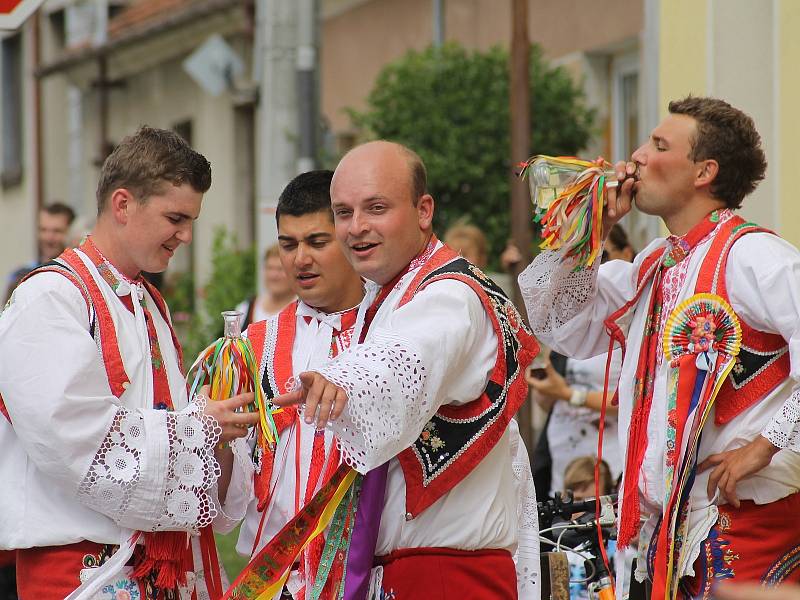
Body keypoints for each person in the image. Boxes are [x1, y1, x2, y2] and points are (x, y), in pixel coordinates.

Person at [519, 96, 800, 599]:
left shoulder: (753, 254)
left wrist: (764, 447)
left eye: (659, 144)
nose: (638, 155)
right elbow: (564, 325)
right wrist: (592, 230)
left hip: (747, 519)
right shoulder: (656, 262)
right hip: (667, 534)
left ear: (703, 172)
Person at [271, 140, 540, 599]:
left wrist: (344, 380)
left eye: (376, 208)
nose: (356, 228)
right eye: (343, 212)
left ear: (423, 210)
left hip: (445, 577)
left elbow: (411, 354)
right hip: (403, 575)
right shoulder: (390, 294)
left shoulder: (450, 294)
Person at [0, 126, 258, 599]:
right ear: (123, 204)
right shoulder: (50, 297)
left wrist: (219, 433)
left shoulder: (148, 303)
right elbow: (72, 437)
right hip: (82, 571)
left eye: (191, 220)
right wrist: (198, 429)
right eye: (175, 217)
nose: (185, 235)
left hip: (161, 571)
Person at [236, 170, 365, 599]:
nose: (300, 259)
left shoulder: (389, 333)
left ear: (348, 236)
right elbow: (232, 489)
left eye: (317, 242)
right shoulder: (255, 344)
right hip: (276, 581)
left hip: (364, 575)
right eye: (288, 245)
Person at [529, 224, 635, 498]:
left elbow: (632, 399)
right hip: (564, 462)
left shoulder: (634, 321)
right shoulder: (577, 322)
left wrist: (568, 394)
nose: (595, 270)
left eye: (603, 257)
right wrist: (547, 388)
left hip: (608, 467)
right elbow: (549, 400)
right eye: (585, 263)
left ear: (627, 254)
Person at [237, 244, 296, 328]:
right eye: (269, 268)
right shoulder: (245, 309)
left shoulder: (302, 311)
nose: (273, 275)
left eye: (280, 269)